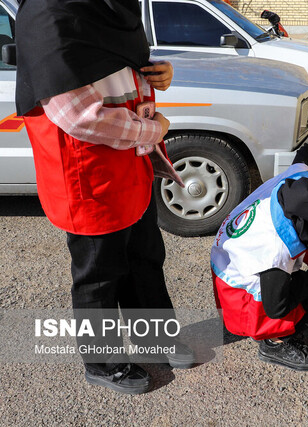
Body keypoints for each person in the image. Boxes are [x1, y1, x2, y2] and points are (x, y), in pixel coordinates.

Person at [15, 0, 193, 394]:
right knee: (98, 275)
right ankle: (102, 360)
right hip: (88, 174)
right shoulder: (50, 14)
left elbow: (113, 63)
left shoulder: (108, 7)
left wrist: (157, 74)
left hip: (130, 164)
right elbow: (79, 116)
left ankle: (154, 337)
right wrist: (154, 131)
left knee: (145, 258)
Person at [210, 155, 308, 371]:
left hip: (229, 261)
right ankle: (275, 342)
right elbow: (276, 307)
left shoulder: (296, 182)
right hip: (243, 298)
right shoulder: (275, 250)